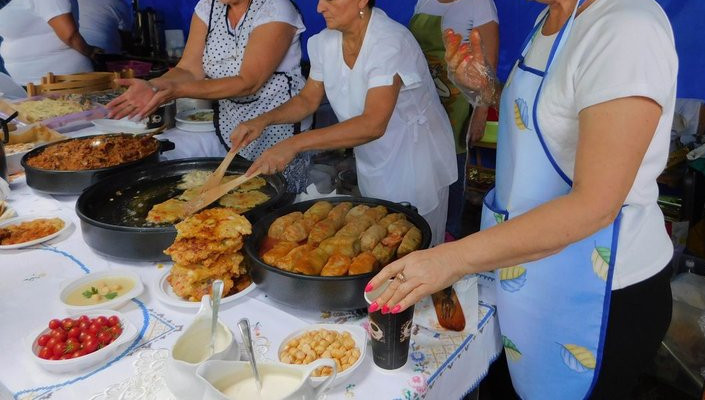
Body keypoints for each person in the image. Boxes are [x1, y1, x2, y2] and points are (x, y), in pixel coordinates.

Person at [367, 0, 678, 398]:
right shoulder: (548, 18)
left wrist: (453, 258)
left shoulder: (626, 28)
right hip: (526, 272)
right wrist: (484, 91)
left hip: (597, 295)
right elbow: (545, 119)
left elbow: (596, 204)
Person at [231, 0, 457, 244]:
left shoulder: (390, 42)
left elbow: (373, 124)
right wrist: (262, 121)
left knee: (412, 244)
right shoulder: (325, 42)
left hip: (413, 161)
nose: (319, 8)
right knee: (377, 235)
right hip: (373, 157)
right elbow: (308, 100)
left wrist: (294, 144)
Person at [107, 0, 311, 193]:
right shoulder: (208, 7)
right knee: (242, 194)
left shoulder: (275, 8)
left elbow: (249, 82)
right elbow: (188, 69)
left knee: (278, 196)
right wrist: (154, 86)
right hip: (233, 125)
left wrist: (177, 91)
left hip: (278, 125)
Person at [409, 0, 499, 240]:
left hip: (459, 102)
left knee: (453, 168)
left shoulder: (480, 5)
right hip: (424, 98)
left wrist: (480, 113)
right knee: (424, 164)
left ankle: (449, 233)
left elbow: (489, 67)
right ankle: (421, 229)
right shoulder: (424, 2)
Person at [0, 0, 99, 86]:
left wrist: (91, 52)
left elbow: (69, 35)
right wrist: (91, 52)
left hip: (62, 80)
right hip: (30, 83)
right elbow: (69, 35)